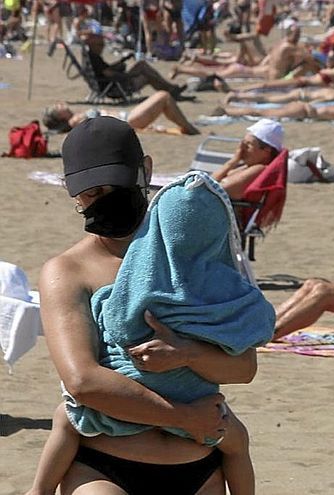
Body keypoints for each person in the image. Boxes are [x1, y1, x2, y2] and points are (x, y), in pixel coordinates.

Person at [31, 117, 263, 494]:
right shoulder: (68, 271)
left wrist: (186, 354)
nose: (104, 198)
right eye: (91, 193)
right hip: (105, 467)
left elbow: (244, 366)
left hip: (199, 465)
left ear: (146, 171)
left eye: (114, 185)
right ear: (71, 193)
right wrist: (184, 417)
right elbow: (83, 382)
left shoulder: (194, 260)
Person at [171, 21, 318, 81]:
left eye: (298, 33)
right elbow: (309, 58)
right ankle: (182, 69)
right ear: (289, 34)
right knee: (213, 73)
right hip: (245, 70)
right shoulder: (288, 48)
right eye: (296, 34)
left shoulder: (280, 45)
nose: (297, 36)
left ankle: (185, 68)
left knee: (216, 67)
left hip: (246, 68)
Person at [82, 29, 188, 99]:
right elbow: (108, 73)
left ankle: (170, 90)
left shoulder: (93, 56)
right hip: (117, 87)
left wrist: (122, 61)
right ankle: (171, 90)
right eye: (100, 45)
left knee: (146, 72)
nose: (102, 47)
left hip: (114, 84)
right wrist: (129, 75)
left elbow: (107, 70)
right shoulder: (94, 58)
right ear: (92, 45)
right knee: (144, 69)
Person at [41, 91, 200, 135]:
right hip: (128, 120)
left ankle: (186, 127)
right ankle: (188, 128)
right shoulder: (75, 120)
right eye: (58, 107)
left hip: (128, 118)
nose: (61, 104)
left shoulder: (75, 119)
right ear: (60, 116)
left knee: (163, 100)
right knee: (162, 97)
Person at [212, 118, 285, 200]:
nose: (242, 149)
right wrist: (233, 162)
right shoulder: (249, 166)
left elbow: (214, 189)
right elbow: (209, 184)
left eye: (248, 145)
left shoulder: (260, 169)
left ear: (266, 151)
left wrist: (233, 161)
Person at [219, 87, 334, 122]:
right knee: (263, 113)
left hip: (302, 107)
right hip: (302, 110)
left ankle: (229, 110)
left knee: (264, 109)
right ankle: (228, 111)